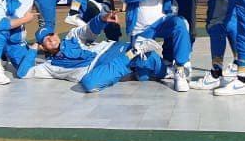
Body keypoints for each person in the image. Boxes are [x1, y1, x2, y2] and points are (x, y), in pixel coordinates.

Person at [23, 11, 166, 92]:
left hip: (109, 51)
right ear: (42, 46)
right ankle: (134, 55)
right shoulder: (49, 66)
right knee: (89, 84)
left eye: (51, 34)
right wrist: (34, 48)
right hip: (96, 70)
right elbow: (24, 73)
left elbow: (89, 29)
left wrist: (102, 18)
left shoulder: (72, 36)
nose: (50, 39)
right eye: (44, 40)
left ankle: (164, 71)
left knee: (151, 60)